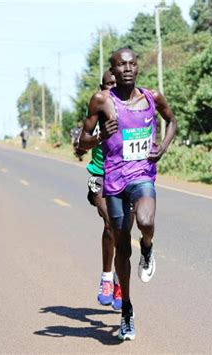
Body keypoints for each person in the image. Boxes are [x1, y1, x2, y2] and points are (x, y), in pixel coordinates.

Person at [80, 48, 177, 341]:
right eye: (121, 65)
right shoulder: (101, 101)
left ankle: (147, 247)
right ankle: (126, 312)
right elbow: (82, 142)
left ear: (137, 68)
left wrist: (162, 147)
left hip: (142, 175)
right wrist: (100, 136)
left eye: (132, 64)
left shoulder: (152, 97)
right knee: (122, 248)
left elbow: (172, 121)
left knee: (146, 220)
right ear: (112, 69)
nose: (127, 68)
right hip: (113, 182)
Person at [77, 70, 127, 311]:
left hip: (125, 177)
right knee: (110, 223)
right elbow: (81, 143)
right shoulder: (97, 108)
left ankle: (118, 282)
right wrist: (100, 136)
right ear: (102, 86)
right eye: (109, 84)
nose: (113, 88)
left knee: (123, 230)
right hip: (99, 175)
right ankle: (107, 279)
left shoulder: (131, 107)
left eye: (117, 84)